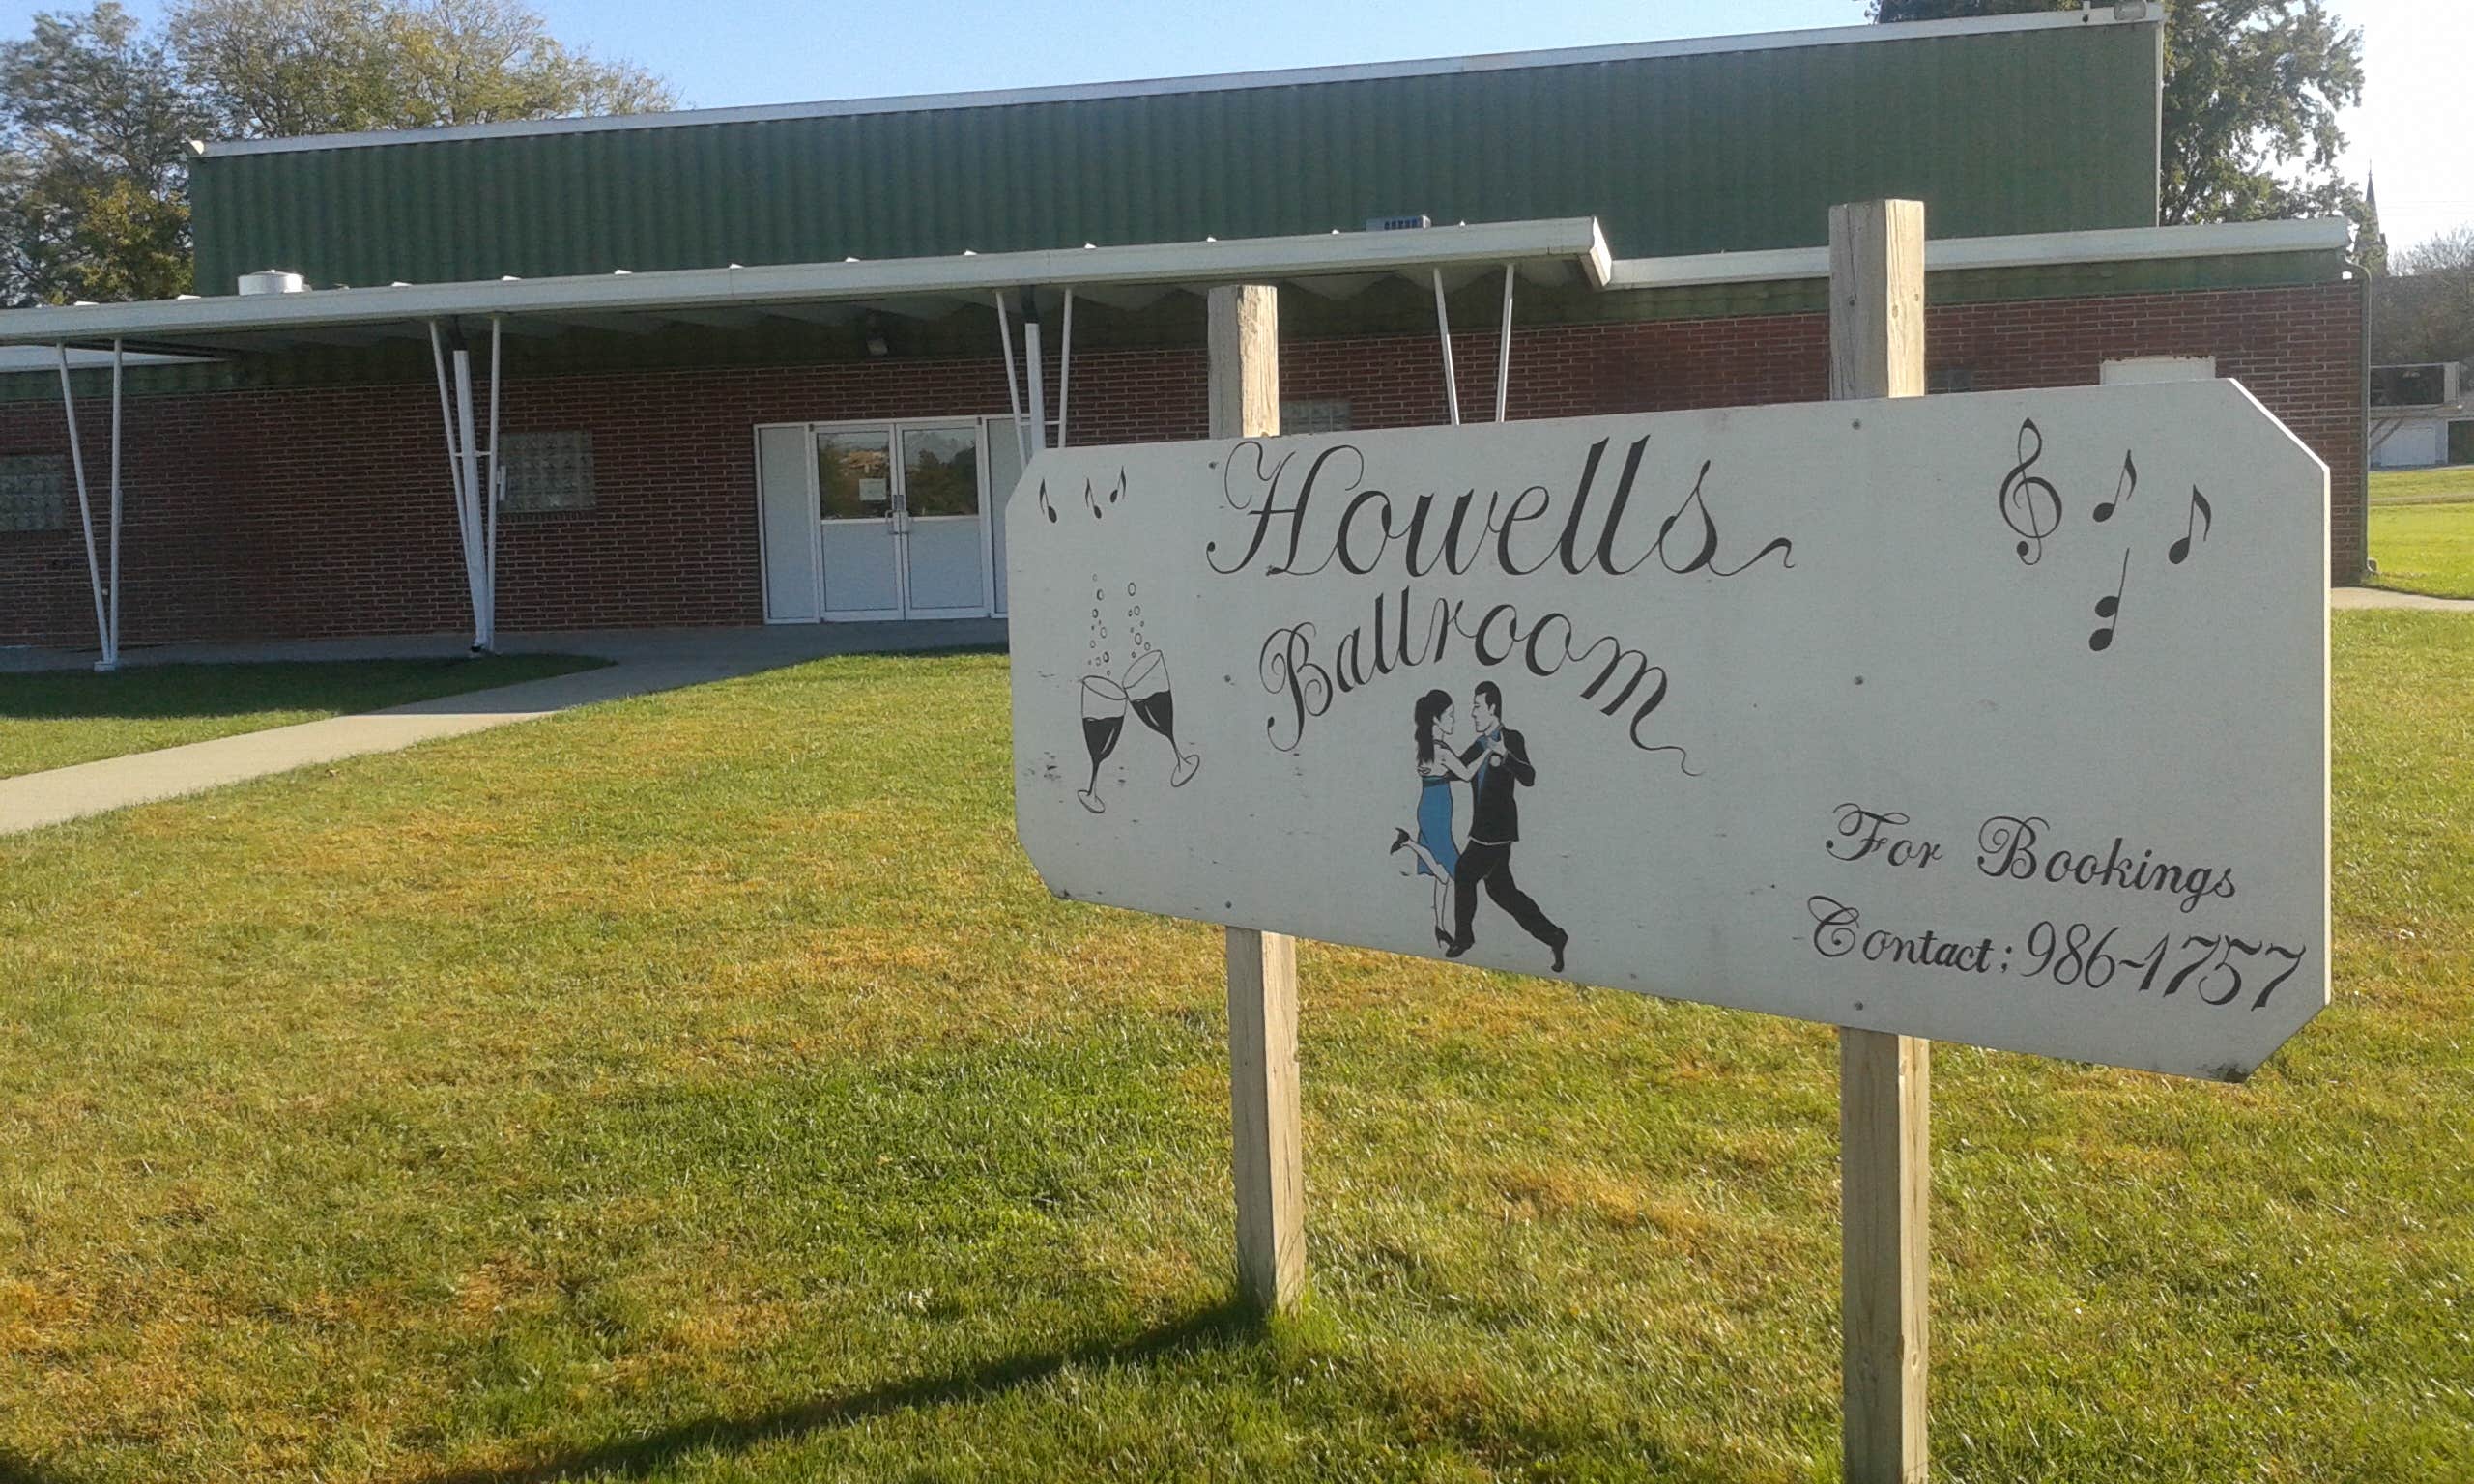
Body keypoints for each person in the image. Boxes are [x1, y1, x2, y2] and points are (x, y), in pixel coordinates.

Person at [1446, 681, 1568, 972]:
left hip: (1496, 831)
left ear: (1492, 708)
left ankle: (1464, 937)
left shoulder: (1510, 738)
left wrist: (1507, 756)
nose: (1473, 713)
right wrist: (1434, 767)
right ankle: (1553, 935)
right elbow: (1459, 770)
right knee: (1502, 891)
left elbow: (1529, 776)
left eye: (1477, 707)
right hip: (1484, 829)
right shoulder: (1480, 744)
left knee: (1464, 871)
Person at [1390, 688, 1474, 948]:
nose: (1453, 720)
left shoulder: (1426, 747)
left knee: (1443, 876)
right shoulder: (1443, 751)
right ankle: (1408, 843)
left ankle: (1439, 926)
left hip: (1430, 806)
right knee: (1454, 870)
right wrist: (1487, 752)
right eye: (1450, 715)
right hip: (1436, 810)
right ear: (1436, 719)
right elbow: (1468, 773)